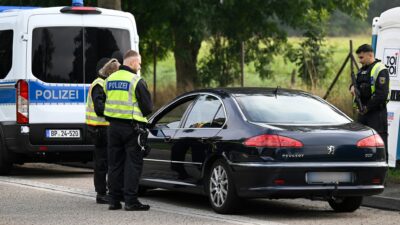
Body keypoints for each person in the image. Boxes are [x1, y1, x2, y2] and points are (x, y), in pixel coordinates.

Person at [104, 50, 153, 211]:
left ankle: (113, 200)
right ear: (132, 63)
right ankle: (131, 201)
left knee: (114, 164)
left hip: (113, 128)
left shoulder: (109, 79)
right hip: (132, 129)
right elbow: (147, 108)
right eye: (139, 63)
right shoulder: (136, 80)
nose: (140, 66)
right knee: (133, 164)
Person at [86, 57, 120, 204]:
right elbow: (100, 109)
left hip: (103, 128)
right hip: (99, 129)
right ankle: (101, 194)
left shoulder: (104, 83)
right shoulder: (99, 84)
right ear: (111, 73)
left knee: (107, 161)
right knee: (101, 162)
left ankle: (108, 191)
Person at [350, 44, 390, 161]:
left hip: (376, 113)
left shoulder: (380, 69)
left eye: (361, 58)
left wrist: (367, 108)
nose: (359, 61)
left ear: (370, 55)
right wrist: (352, 87)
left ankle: (383, 171)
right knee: (362, 142)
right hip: (363, 112)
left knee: (379, 143)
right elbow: (356, 84)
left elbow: (381, 95)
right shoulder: (362, 70)